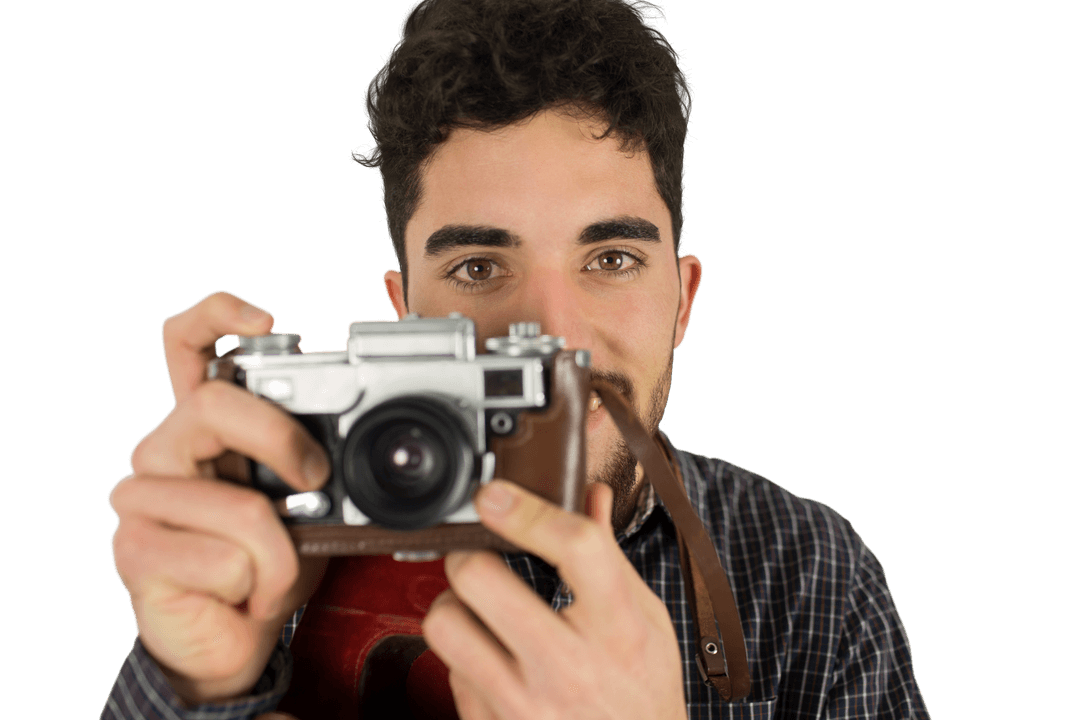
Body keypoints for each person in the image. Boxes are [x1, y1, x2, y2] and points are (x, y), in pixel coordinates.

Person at [102, 1, 930, 718]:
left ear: (683, 300)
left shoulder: (812, 569)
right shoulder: (275, 555)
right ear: (408, 315)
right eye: (478, 268)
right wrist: (195, 687)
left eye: (610, 258)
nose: (552, 334)